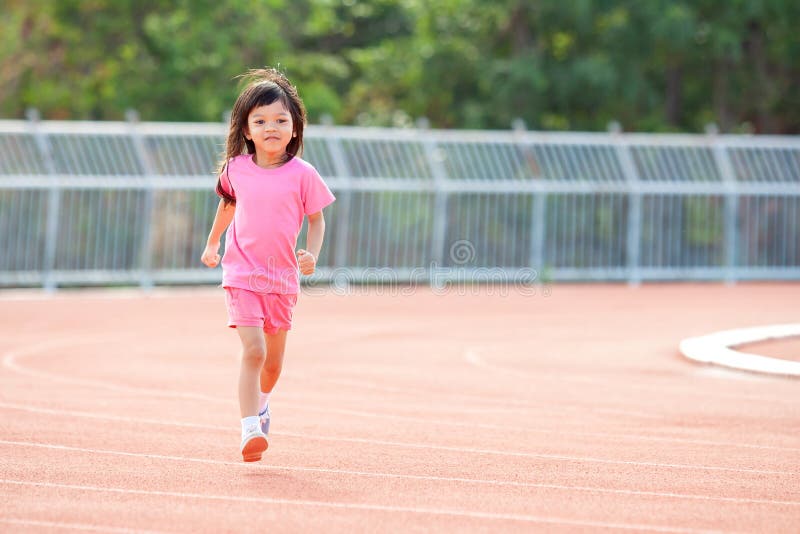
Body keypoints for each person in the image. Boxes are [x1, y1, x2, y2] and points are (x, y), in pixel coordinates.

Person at [201, 67, 335, 462]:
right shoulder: (236, 170)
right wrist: (212, 243)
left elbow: (317, 218)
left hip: (282, 279)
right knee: (254, 351)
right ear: (246, 130)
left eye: (280, 120)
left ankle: (261, 405)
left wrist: (311, 254)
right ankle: (248, 428)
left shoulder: (303, 175)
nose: (270, 127)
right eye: (260, 121)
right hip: (241, 274)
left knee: (273, 366)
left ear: (295, 129)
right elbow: (228, 204)